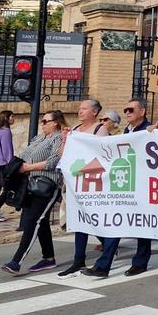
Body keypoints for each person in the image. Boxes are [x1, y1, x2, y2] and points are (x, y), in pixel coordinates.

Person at [83, 98, 157, 279]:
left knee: (143, 226)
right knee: (116, 224)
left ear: (142, 111)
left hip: (143, 186)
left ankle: (141, 262)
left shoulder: (149, 130)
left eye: (131, 109)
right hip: (125, 184)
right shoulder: (127, 131)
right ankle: (103, 266)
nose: (127, 113)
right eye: (125, 110)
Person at [2, 111, 66, 275]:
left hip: (47, 184)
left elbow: (54, 161)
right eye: (42, 121)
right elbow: (24, 155)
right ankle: (49, 258)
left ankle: (16, 261)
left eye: (45, 121)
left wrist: (28, 167)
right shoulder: (38, 138)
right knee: (41, 222)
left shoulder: (59, 138)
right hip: (30, 183)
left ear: (56, 123)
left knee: (32, 221)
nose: (42, 124)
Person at [58, 99, 111, 277]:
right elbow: (62, 154)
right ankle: (78, 259)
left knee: (93, 220)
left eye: (84, 109)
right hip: (76, 181)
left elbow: (102, 154)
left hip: (92, 181)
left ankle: (109, 246)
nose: (80, 111)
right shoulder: (74, 130)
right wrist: (65, 140)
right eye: (80, 109)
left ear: (94, 112)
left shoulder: (100, 129)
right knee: (79, 220)